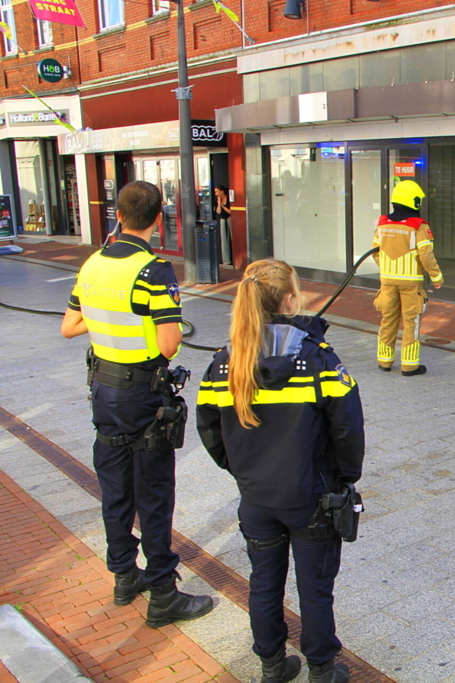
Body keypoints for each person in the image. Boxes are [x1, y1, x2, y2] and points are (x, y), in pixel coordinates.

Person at [196, 259, 364, 683]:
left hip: (256, 498)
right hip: (310, 495)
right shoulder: (318, 359)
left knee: (263, 583)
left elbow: (209, 429)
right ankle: (322, 670)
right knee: (315, 587)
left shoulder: (224, 362)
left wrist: (243, 471)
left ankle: (272, 665)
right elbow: (348, 427)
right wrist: (345, 477)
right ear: (290, 300)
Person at [60, 180, 214, 628]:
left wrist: (109, 315)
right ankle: (164, 593)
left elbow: (69, 326)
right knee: (154, 492)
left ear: (119, 215)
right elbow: (168, 345)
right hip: (142, 395)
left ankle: (125, 576)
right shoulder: (152, 270)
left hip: (103, 393)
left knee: (115, 488)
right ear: (157, 218)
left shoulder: (91, 265)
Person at [372, 180, 443, 376]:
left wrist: (387, 268)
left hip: (387, 281)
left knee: (387, 320)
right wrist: (436, 277)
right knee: (411, 322)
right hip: (411, 283)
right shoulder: (418, 226)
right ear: (415, 202)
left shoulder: (382, 224)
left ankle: (384, 361)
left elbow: (375, 252)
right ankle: (409, 365)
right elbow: (426, 255)